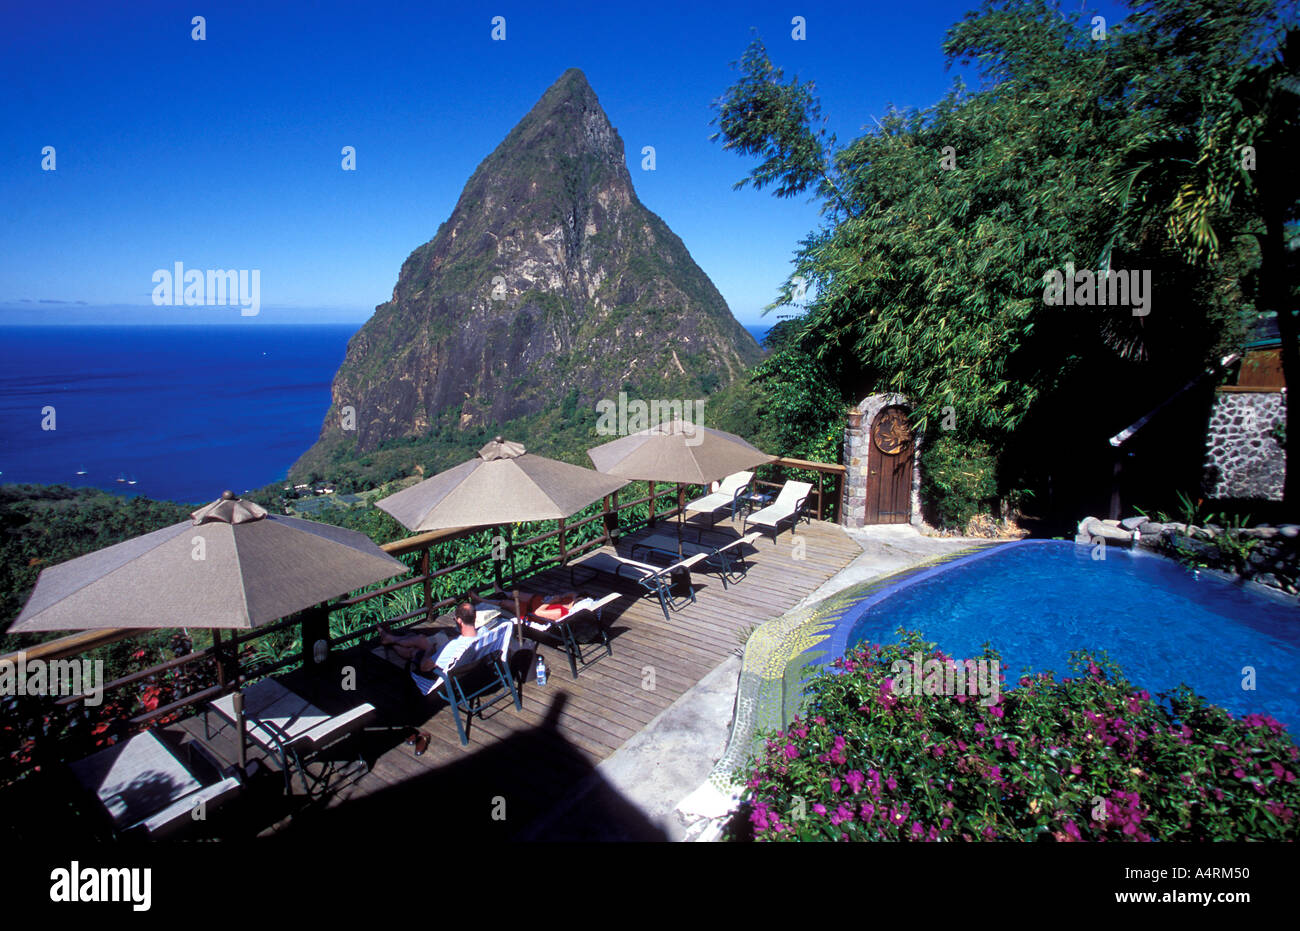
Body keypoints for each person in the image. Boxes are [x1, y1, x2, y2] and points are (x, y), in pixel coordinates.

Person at [379, 601, 479, 674]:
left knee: (414, 651)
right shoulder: (485, 633)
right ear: (474, 617)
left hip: (446, 668)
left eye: (455, 619)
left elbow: (424, 667)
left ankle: (390, 641)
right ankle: (390, 638)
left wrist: (429, 650)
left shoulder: (453, 646)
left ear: (460, 621)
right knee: (419, 637)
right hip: (465, 660)